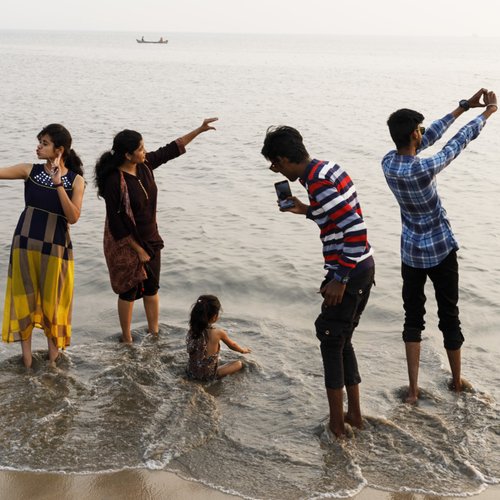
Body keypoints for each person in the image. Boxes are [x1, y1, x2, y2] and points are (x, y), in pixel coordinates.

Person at [382, 89, 498, 404]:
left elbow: (430, 136)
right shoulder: (423, 168)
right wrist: (487, 112)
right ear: (412, 135)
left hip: (411, 252)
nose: (423, 133)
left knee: (413, 317)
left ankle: (414, 390)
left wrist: (463, 107)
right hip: (441, 250)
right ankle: (457, 382)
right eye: (419, 130)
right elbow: (456, 143)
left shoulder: (389, 164)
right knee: (449, 315)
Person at [262, 126, 375, 438]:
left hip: (349, 269)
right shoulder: (328, 168)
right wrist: (305, 210)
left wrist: (339, 279)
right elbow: (337, 216)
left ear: (285, 158)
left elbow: (355, 228)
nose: (277, 170)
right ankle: (353, 415)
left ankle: (337, 426)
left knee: (329, 337)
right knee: (342, 338)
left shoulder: (317, 180)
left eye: (277, 164)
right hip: (363, 265)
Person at [94, 118, 218, 344]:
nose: (145, 151)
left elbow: (171, 149)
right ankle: (127, 338)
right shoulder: (114, 181)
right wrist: (137, 249)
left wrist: (199, 130)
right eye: (140, 149)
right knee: (128, 291)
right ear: (127, 155)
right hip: (128, 242)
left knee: (152, 288)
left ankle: (154, 334)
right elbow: (116, 222)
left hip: (151, 238)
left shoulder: (145, 165)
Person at [1, 124, 85, 368]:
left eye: (44, 143)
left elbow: (73, 217)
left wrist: (58, 182)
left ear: (59, 150)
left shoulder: (76, 181)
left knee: (54, 302)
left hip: (56, 249)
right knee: (23, 299)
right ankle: (26, 361)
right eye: (40, 142)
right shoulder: (30, 171)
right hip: (24, 244)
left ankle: (53, 362)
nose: (38, 146)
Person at [186, 295, 251, 380]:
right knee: (238, 363)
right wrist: (243, 350)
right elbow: (232, 345)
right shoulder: (218, 333)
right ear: (214, 317)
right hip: (208, 376)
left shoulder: (192, 330)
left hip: (191, 372)